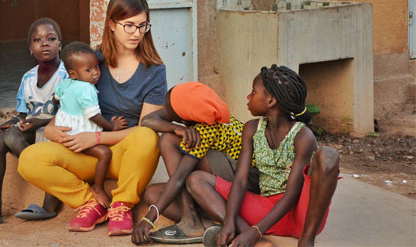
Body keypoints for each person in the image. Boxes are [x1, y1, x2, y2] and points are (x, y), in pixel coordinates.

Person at [18, 0, 167, 236]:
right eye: (129, 25)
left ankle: (122, 205)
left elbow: (145, 127)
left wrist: (97, 138)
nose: (136, 33)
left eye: (142, 26)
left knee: (148, 137)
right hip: (86, 154)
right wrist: (53, 128)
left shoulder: (154, 70)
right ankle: (92, 203)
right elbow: (70, 103)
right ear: (111, 24)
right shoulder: (91, 62)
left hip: (124, 154)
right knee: (30, 159)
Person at [187, 65, 340, 247]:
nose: (249, 97)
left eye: (253, 92)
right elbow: (240, 180)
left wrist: (256, 230)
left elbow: (292, 194)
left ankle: (306, 242)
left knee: (328, 155)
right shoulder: (252, 129)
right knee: (196, 180)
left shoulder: (302, 136)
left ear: (270, 101)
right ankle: (250, 238)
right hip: (266, 210)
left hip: (302, 215)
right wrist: (229, 222)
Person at [132, 82, 259, 244]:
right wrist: (175, 128)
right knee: (152, 193)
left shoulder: (206, 129)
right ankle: (205, 223)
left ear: (184, 117)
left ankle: (191, 219)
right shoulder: (204, 113)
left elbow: (179, 178)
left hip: (244, 182)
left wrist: (148, 220)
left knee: (168, 141)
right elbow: (148, 120)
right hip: (215, 185)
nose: (166, 111)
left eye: (171, 112)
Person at [0, 18, 67, 221]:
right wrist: (10, 123)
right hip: (35, 131)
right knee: (0, 140)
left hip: (56, 131)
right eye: (37, 40)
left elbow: (68, 113)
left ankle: (48, 205)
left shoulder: (67, 76)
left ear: (60, 44)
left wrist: (39, 122)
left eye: (51, 38)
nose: (45, 43)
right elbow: (24, 114)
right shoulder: (27, 78)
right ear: (30, 49)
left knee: (12, 139)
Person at [54, 41, 128, 207]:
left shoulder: (66, 83)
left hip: (65, 131)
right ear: (73, 73)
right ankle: (98, 187)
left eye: (96, 67)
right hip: (78, 134)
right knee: (105, 154)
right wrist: (112, 127)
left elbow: (56, 98)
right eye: (89, 70)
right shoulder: (86, 89)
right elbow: (93, 115)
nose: (95, 73)